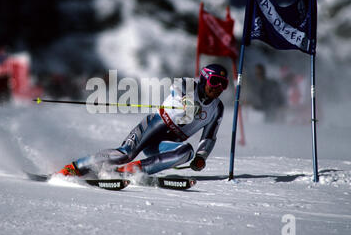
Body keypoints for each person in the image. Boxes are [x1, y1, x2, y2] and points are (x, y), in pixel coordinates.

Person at [58, 64, 228, 177]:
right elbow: (176, 86)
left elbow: (209, 137)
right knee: (125, 154)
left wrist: (201, 156)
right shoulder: (189, 85)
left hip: (166, 143)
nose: (218, 88)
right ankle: (75, 167)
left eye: (223, 84)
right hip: (154, 126)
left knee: (187, 152)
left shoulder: (217, 108)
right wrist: (187, 101)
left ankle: (129, 172)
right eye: (215, 82)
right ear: (205, 79)